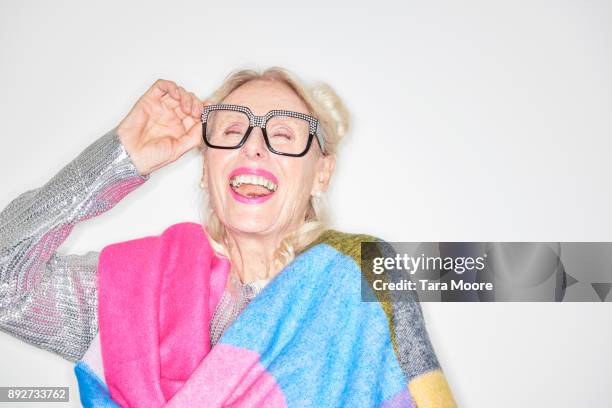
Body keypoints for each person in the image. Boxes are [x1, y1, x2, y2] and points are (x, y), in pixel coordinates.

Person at [0, 67, 457, 407]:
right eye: (233, 131)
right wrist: (119, 160)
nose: (253, 147)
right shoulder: (136, 292)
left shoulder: (362, 277)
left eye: (282, 134)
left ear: (321, 172)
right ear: (206, 167)